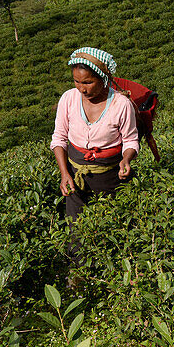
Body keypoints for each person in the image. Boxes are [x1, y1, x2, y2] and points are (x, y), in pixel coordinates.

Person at [51, 47, 139, 223]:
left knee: (117, 224)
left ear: (103, 79)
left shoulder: (121, 105)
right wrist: (64, 173)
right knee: (76, 229)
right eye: (77, 81)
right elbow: (59, 138)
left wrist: (126, 160)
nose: (82, 89)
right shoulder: (68, 99)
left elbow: (131, 141)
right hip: (75, 177)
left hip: (111, 176)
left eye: (88, 82)